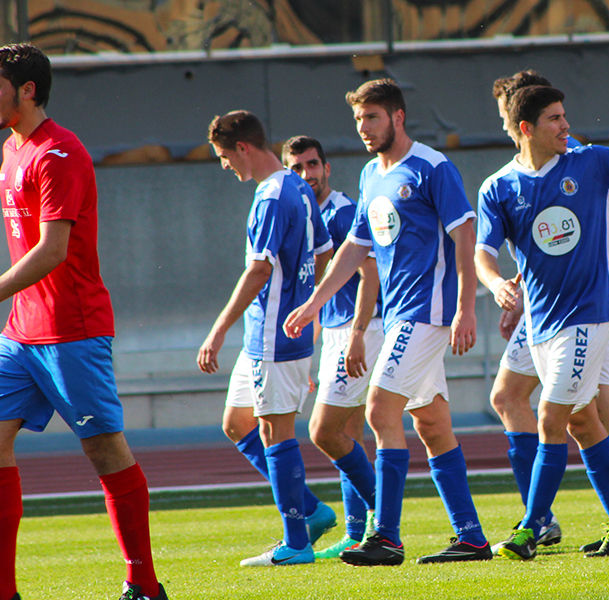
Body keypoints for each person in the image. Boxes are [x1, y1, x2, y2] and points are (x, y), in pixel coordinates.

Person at [0, 43, 167, 600]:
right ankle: (0, 590)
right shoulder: (13, 149)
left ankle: (144, 585)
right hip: (22, 332)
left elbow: (52, 250)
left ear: (28, 90)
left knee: (104, 450)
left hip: (72, 329)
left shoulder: (60, 153)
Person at [284, 79, 491, 566]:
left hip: (426, 311)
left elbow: (465, 236)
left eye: (372, 117)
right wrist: (314, 303)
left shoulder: (432, 167)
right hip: (400, 312)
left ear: (398, 117)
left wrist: (465, 308)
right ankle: (472, 538)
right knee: (432, 423)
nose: (364, 127)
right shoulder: (370, 175)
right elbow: (356, 247)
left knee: (379, 411)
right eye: (358, 119)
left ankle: (387, 537)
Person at [477, 85, 609, 560]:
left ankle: (531, 527)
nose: (566, 125)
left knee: (551, 417)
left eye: (564, 115)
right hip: (541, 323)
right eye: (554, 118)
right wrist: (495, 284)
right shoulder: (499, 187)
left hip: (589, 314)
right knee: (581, 421)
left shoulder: (591, 162)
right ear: (526, 128)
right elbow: (482, 254)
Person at [196, 111, 335, 566]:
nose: (224, 165)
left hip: (274, 336)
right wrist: (307, 308)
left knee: (275, 429)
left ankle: (296, 543)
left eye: (224, 156)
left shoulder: (273, 195)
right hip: (270, 333)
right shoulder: (297, 186)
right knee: (238, 423)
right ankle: (310, 511)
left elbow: (258, 271)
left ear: (243, 148)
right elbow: (323, 253)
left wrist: (218, 330)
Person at [281, 135, 384, 559]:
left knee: (327, 431)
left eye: (312, 165)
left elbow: (370, 277)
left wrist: (357, 334)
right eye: (297, 168)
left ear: (327, 168)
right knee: (349, 435)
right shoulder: (306, 215)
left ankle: (384, 517)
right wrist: (311, 353)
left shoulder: (342, 212)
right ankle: (358, 532)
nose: (306, 174)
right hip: (337, 331)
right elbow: (321, 296)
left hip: (363, 328)